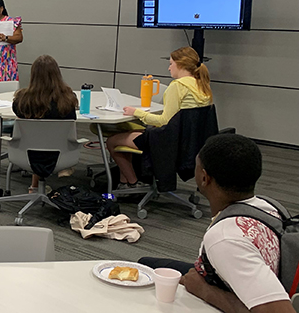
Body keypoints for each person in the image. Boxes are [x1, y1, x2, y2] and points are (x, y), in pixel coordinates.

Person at [138, 134, 295, 313]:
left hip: (243, 291)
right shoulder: (268, 206)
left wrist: (206, 291)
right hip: (262, 277)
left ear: (204, 178)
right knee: (146, 265)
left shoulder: (226, 238)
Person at [106, 46, 212, 190]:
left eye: (171, 64)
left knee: (112, 141)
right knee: (127, 135)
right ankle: (124, 184)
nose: (169, 68)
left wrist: (136, 112)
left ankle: (132, 183)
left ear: (180, 65)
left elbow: (165, 121)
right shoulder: (202, 85)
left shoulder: (177, 86)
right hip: (189, 145)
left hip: (168, 143)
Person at [11, 55, 78, 193]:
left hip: (27, 154)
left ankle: (34, 186)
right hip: (61, 155)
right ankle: (42, 182)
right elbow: (72, 121)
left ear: (33, 75)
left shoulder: (22, 101)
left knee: (37, 136)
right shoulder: (67, 100)